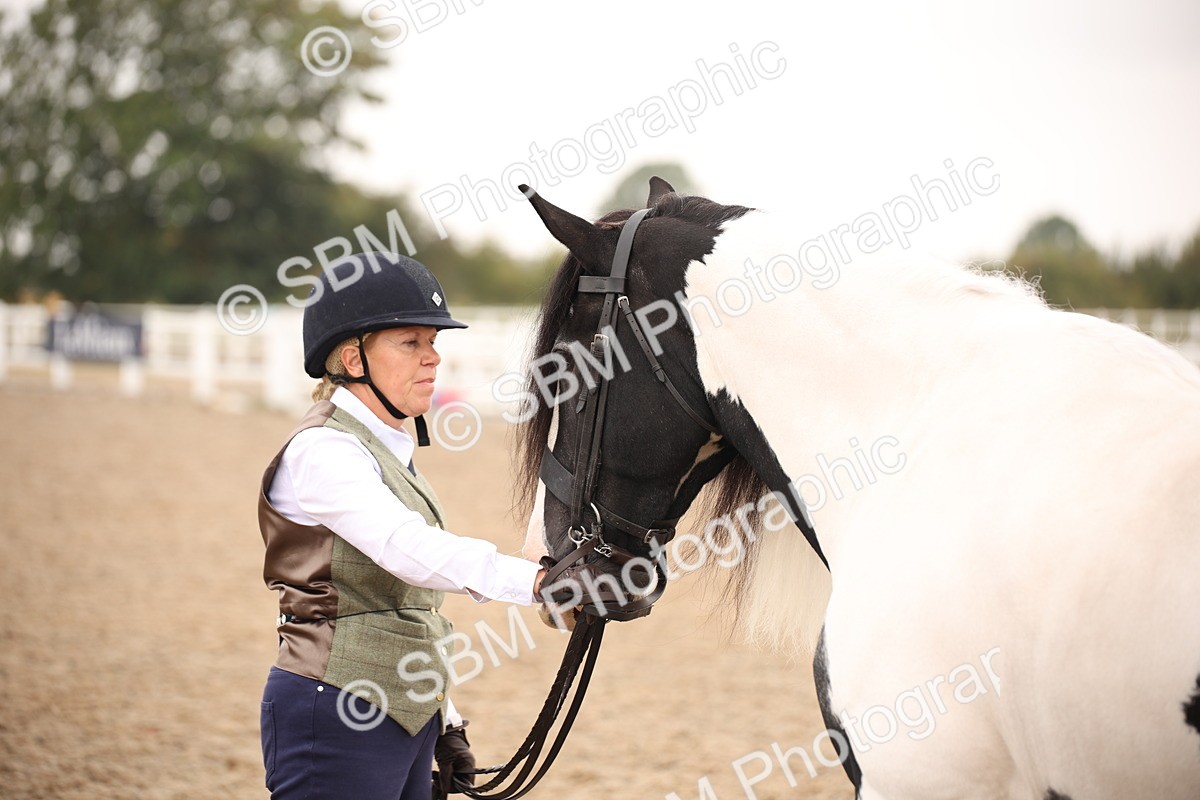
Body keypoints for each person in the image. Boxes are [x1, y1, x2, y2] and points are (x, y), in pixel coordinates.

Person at [257, 252, 546, 799]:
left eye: (433, 342)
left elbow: (408, 605)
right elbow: (403, 547)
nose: (432, 358)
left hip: (406, 714)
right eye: (410, 342)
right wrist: (534, 581)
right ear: (352, 357)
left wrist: (447, 720)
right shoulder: (323, 450)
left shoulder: (385, 447)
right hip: (335, 706)